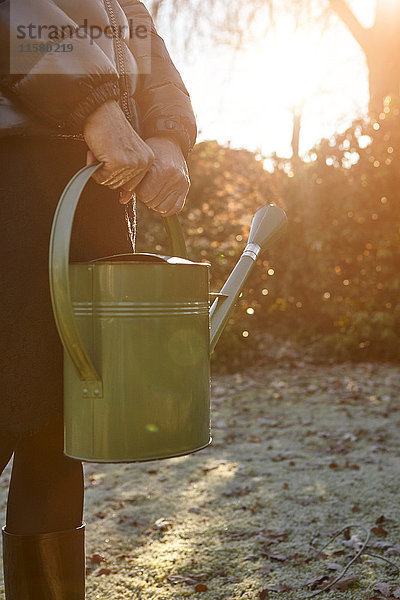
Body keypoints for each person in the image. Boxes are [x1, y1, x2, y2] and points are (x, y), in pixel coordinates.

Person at [0, 0, 197, 597]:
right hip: (14, 169)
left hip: (96, 177)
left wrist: (166, 134)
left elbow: (134, 25)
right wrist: (96, 106)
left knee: (62, 425)